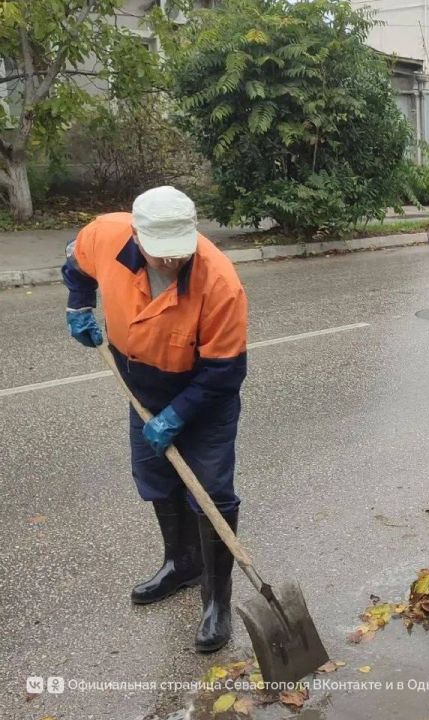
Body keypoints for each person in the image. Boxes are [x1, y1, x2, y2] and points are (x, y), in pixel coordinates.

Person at [61, 186, 248, 652]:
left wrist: (175, 416)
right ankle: (181, 564)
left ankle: (217, 602)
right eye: (160, 252)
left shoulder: (220, 283)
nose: (170, 261)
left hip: (203, 398)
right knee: (156, 477)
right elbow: (76, 264)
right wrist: (78, 305)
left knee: (211, 491)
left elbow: (224, 372)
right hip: (142, 387)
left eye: (178, 252)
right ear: (137, 237)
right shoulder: (106, 235)